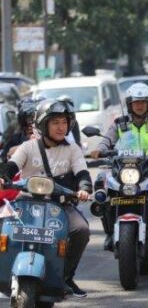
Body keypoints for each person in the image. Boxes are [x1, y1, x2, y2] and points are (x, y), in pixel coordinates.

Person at [0, 99, 92, 297]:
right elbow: (11, 167)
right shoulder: (27, 147)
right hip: (25, 203)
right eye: (55, 122)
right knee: (4, 226)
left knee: (82, 230)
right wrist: (2, 177)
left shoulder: (72, 149)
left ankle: (66, 276)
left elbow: (82, 173)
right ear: (43, 124)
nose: (61, 127)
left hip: (59, 205)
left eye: (64, 122)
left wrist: (84, 188)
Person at [90, 83, 148, 250]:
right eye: (136, 102)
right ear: (130, 104)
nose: (139, 106)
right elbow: (108, 139)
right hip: (123, 168)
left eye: (143, 102)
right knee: (102, 190)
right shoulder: (120, 123)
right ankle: (110, 233)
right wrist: (99, 149)